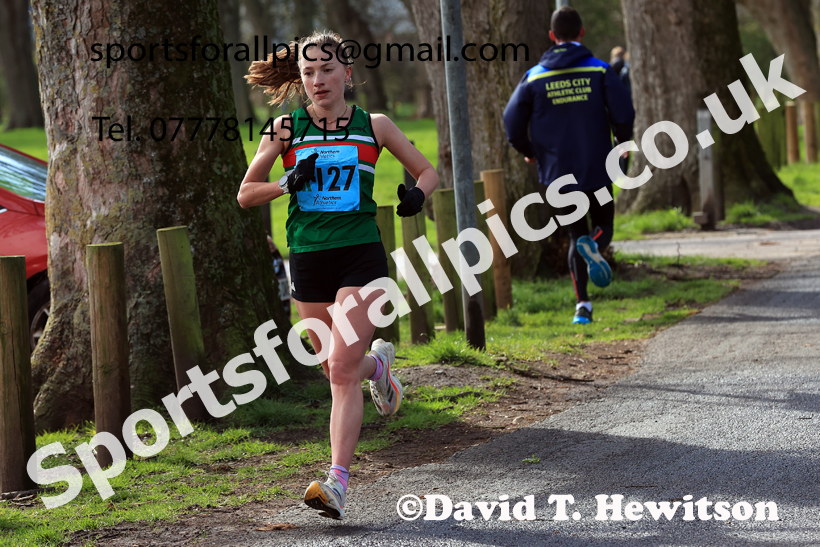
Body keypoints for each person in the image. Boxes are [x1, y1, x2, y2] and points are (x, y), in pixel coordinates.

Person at [237, 30, 438, 520]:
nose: (317, 80)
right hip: (308, 256)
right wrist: (286, 182)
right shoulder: (284, 129)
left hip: (360, 258)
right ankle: (381, 367)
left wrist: (417, 194)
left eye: (327, 70)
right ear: (301, 80)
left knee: (341, 372)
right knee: (333, 367)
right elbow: (246, 192)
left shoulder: (376, 125)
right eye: (308, 73)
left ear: (347, 73)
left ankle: (338, 483)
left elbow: (427, 171)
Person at [502, 6, 635, 325]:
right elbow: (623, 111)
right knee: (603, 223)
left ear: (552, 37)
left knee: (575, 233)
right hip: (597, 169)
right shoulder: (600, 70)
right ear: (582, 33)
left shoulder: (534, 76)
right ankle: (596, 243)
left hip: (558, 174)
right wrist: (622, 142)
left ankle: (583, 307)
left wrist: (528, 150)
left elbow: (511, 121)